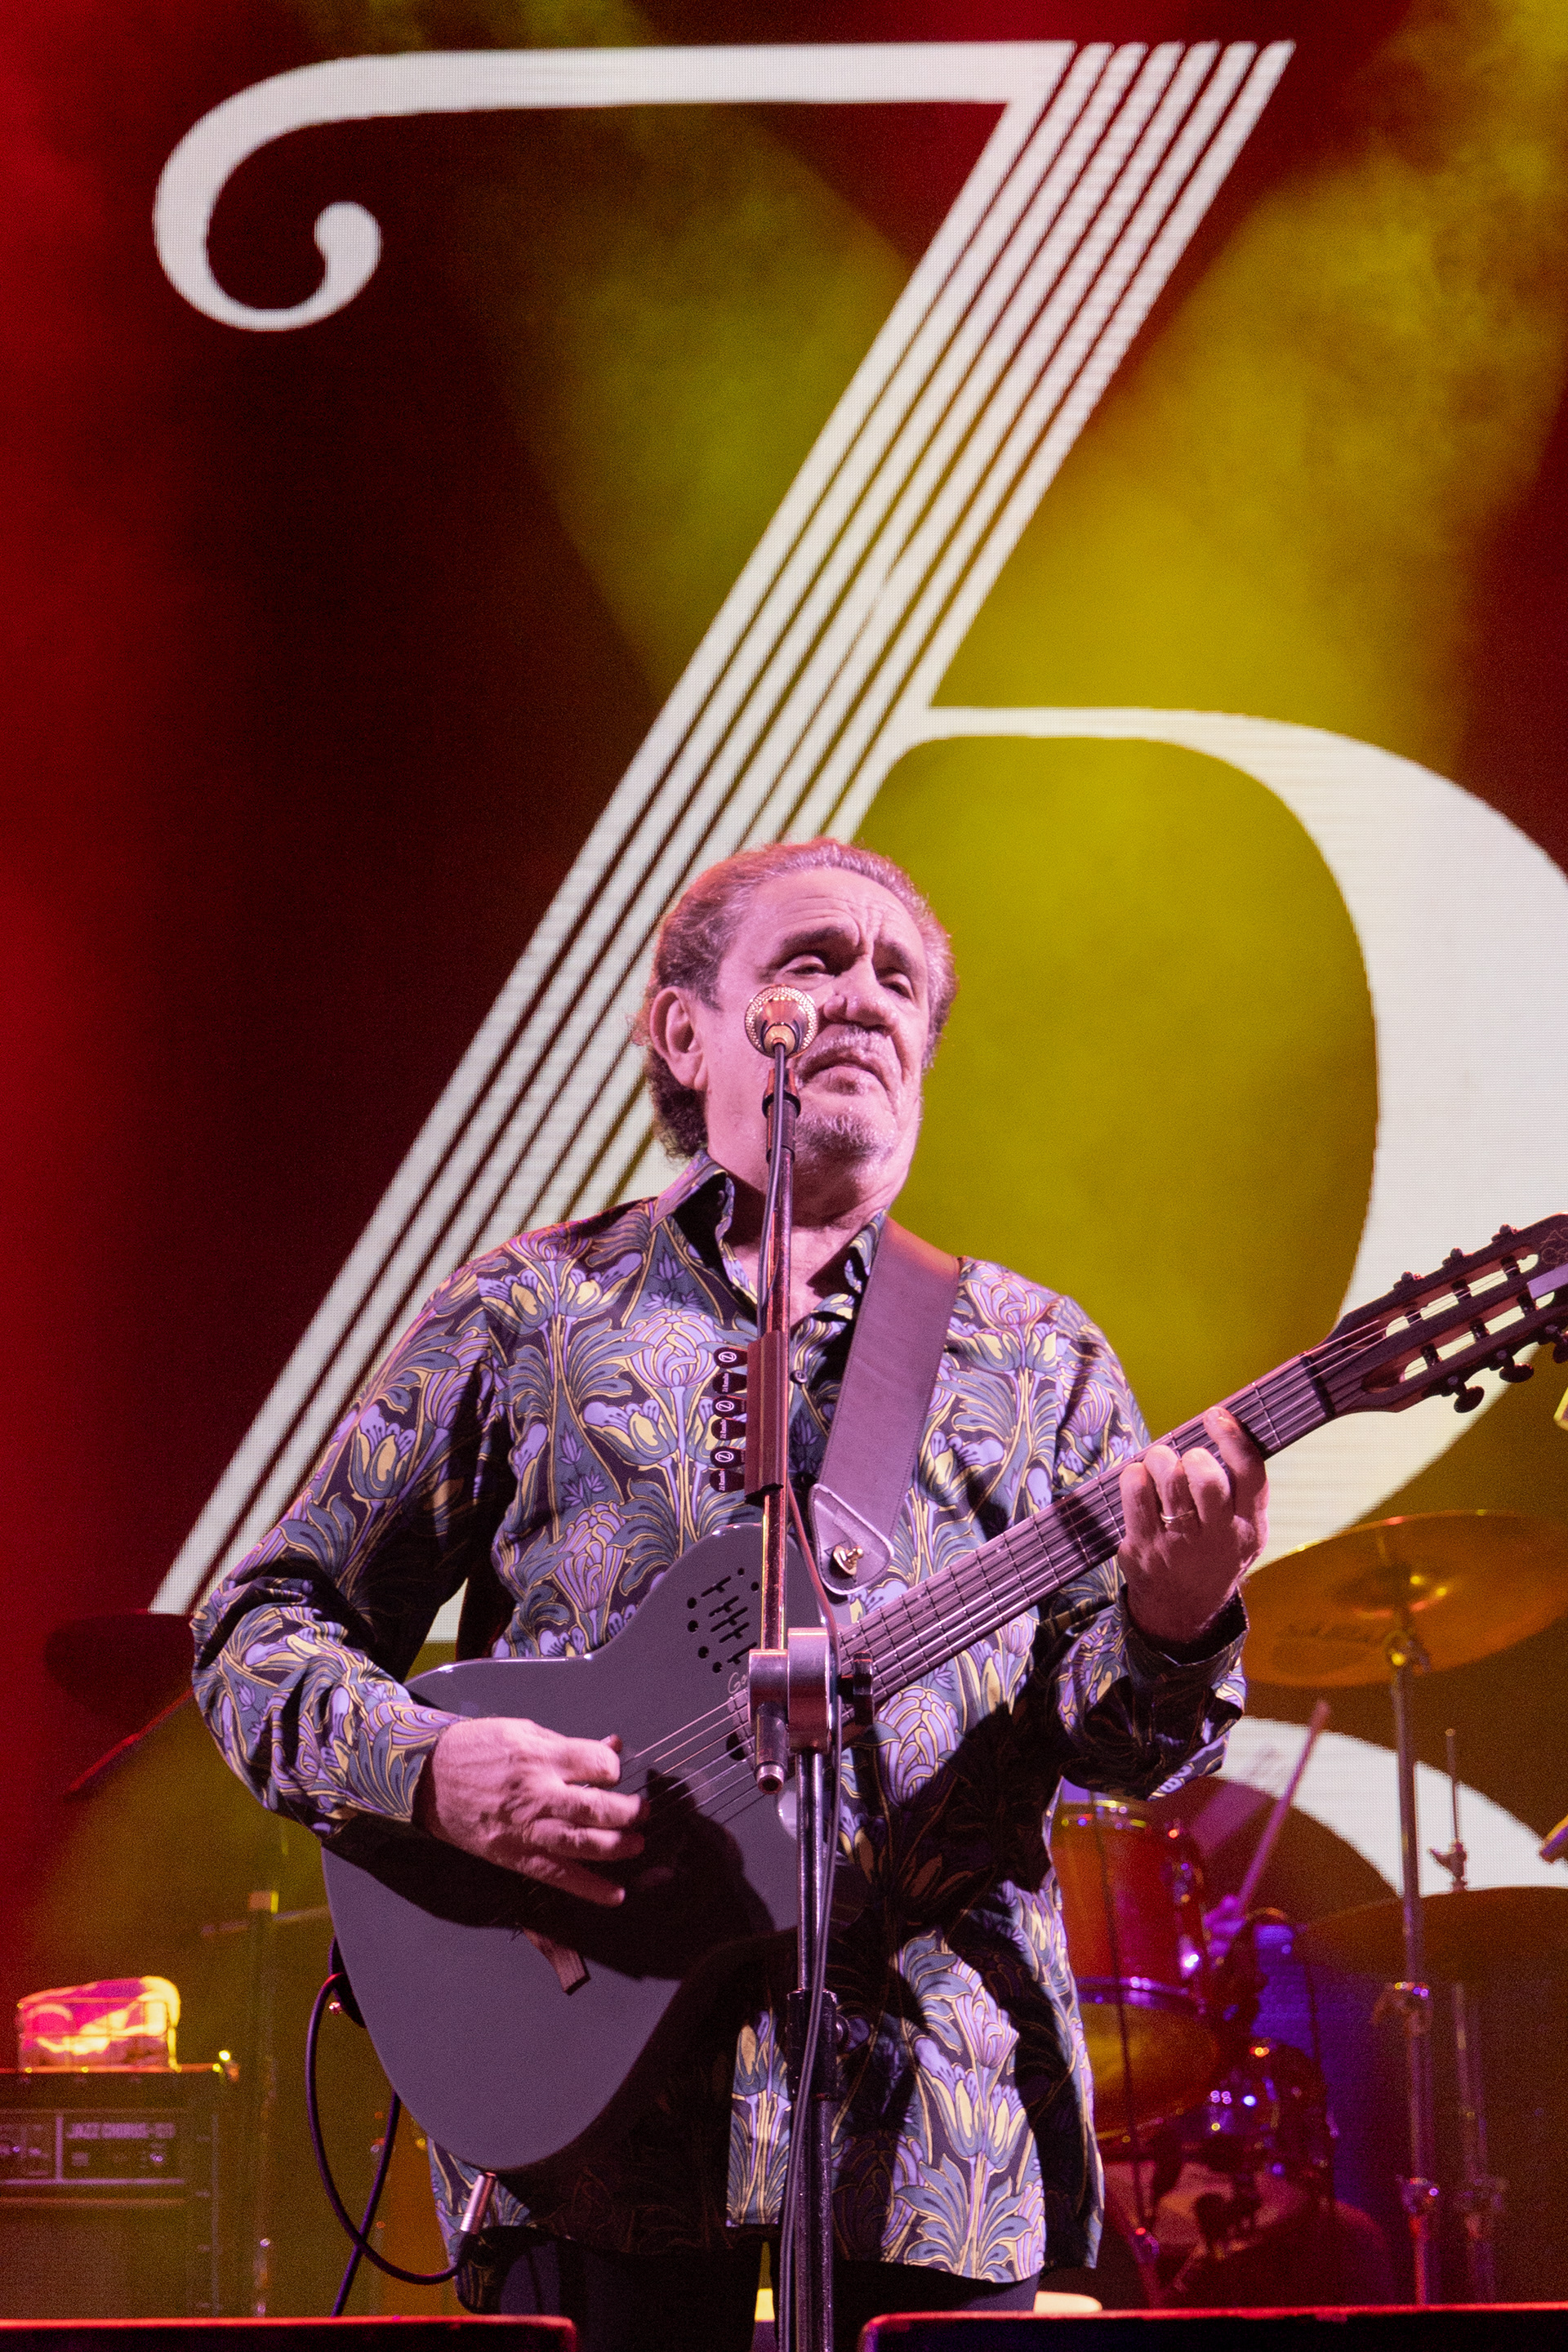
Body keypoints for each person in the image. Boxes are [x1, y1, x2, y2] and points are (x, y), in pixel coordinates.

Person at [192, 839, 1267, 2350]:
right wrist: (434, 1771)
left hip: (934, 2129)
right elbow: (257, 1628)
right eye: (815, 960)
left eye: (900, 980)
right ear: (685, 1032)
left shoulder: (1039, 1359)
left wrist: (1176, 1618)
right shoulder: (534, 1312)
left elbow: (1122, 1745)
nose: (865, 996)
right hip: (591, 2126)